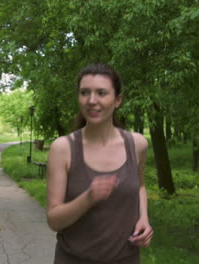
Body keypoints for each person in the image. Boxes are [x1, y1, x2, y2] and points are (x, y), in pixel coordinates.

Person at [46, 63, 153, 264]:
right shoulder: (63, 149)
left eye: (101, 93)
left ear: (117, 100)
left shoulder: (137, 144)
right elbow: (54, 220)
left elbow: (139, 186)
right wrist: (88, 197)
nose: (92, 100)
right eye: (85, 92)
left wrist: (143, 218)